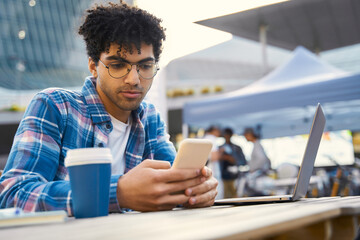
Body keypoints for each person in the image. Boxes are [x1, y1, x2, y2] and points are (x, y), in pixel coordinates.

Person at [0, 2, 217, 215]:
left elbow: (174, 184)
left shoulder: (149, 118)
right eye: (117, 65)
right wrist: (118, 192)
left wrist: (195, 189)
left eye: (145, 66)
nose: (134, 79)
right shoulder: (55, 106)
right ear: (93, 66)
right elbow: (13, 195)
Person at [219, 128, 246, 198]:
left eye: (228, 135)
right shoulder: (220, 148)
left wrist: (233, 160)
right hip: (223, 177)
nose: (227, 137)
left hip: (234, 177)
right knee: (224, 197)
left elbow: (243, 162)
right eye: (225, 135)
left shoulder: (237, 148)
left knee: (235, 196)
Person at [203, 126, 223, 199]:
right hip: (212, 170)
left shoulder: (204, 138)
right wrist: (221, 152)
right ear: (214, 130)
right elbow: (214, 157)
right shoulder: (211, 138)